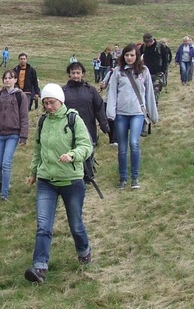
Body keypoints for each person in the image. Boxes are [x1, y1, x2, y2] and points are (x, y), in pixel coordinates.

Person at [25, 83, 94, 284]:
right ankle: (40, 268)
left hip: (71, 181)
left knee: (75, 224)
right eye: (45, 103)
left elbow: (85, 146)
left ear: (60, 101)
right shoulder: (42, 122)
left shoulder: (73, 119)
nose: (48, 106)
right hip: (47, 181)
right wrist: (33, 173)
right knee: (43, 226)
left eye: (52, 102)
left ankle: (84, 251)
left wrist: (72, 155)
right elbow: (38, 150)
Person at [105, 43, 159, 190]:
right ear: (123, 56)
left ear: (137, 56)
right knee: (122, 148)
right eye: (127, 55)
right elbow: (112, 93)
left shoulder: (144, 71)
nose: (129, 58)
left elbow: (149, 93)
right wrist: (111, 112)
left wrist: (153, 114)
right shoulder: (118, 72)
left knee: (134, 143)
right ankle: (123, 178)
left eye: (132, 55)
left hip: (137, 113)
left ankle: (135, 177)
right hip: (121, 114)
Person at [0, 69, 29, 201]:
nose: (7, 80)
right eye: (5, 78)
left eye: (10, 78)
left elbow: (24, 117)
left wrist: (23, 136)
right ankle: (1, 182)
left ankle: (4, 195)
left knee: (6, 163)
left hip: (13, 134)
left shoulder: (21, 96)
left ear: (15, 80)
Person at [62, 62, 110, 146]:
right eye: (73, 73)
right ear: (69, 74)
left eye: (78, 73)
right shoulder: (62, 91)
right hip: (67, 129)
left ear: (82, 74)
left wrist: (104, 125)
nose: (76, 75)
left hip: (88, 127)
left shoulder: (91, 90)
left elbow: (99, 108)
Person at [140, 32, 166, 102]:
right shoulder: (143, 47)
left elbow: (165, 59)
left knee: (155, 91)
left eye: (148, 43)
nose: (147, 44)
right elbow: (138, 56)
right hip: (146, 73)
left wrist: (163, 70)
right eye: (146, 43)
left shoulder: (160, 47)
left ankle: (154, 106)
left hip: (158, 73)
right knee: (146, 91)